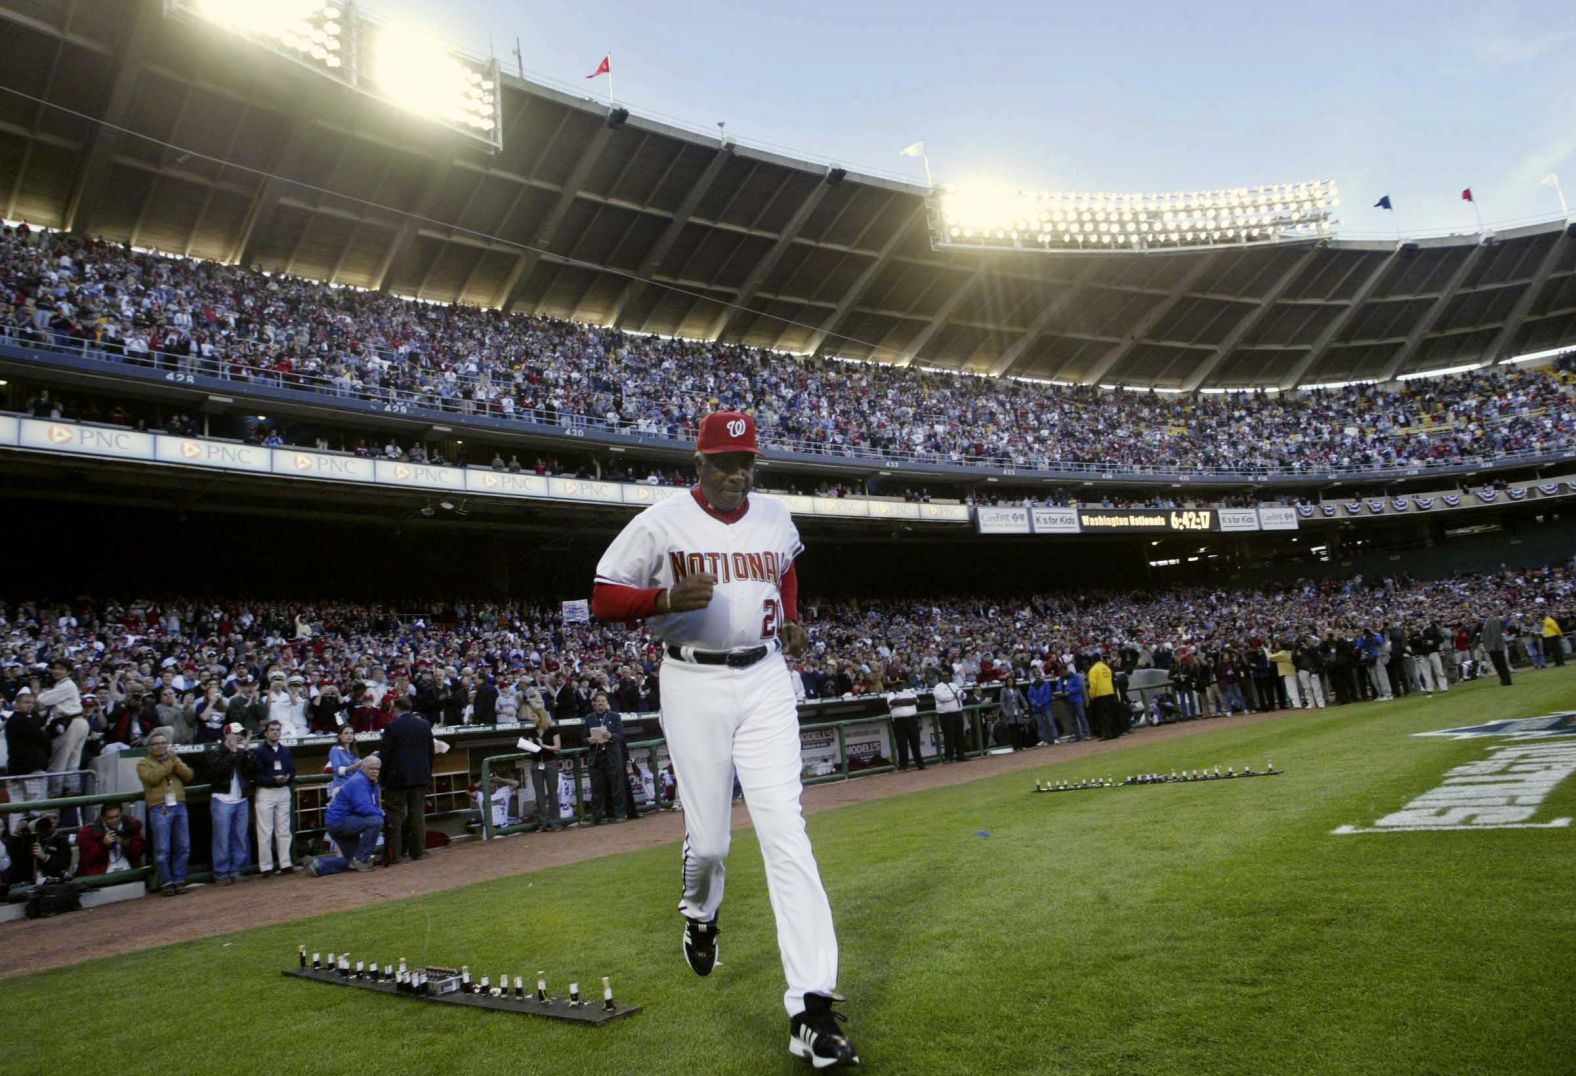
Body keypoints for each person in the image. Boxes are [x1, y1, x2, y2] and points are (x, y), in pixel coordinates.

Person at [589, 411, 856, 1069]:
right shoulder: (661, 520)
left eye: (746, 462)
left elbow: (786, 568)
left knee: (786, 834)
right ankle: (700, 914)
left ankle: (812, 1010)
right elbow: (602, 595)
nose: (738, 473)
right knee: (709, 843)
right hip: (691, 680)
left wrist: (791, 619)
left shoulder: (774, 514)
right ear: (699, 464)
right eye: (725, 462)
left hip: (765, 676)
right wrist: (662, 600)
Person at [136, 730, 193, 895]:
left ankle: (179, 880)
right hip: (159, 807)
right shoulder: (143, 763)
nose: (161, 746)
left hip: (179, 804)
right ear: (150, 748)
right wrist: (170, 762)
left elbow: (189, 775)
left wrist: (176, 763)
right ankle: (166, 882)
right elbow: (153, 778)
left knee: (183, 846)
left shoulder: (175, 760)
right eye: (156, 743)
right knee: (162, 848)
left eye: (163, 743)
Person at [307, 756, 384, 875]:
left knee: (351, 862)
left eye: (377, 769)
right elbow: (363, 808)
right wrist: (382, 813)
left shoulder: (370, 781)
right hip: (340, 822)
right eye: (371, 768)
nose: (374, 771)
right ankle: (362, 860)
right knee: (376, 821)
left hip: (344, 822)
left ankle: (319, 865)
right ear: (363, 768)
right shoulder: (359, 781)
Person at [380, 696, 434, 865]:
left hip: (397, 777)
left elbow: (385, 755)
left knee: (394, 816)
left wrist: (382, 777)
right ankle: (418, 851)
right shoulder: (424, 724)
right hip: (420, 776)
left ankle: (394, 855)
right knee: (417, 813)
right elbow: (430, 752)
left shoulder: (391, 726)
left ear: (396, 708)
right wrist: (426, 772)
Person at [204, 722, 256, 886]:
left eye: (241, 733)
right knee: (222, 838)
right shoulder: (215, 751)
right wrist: (233, 753)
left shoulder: (241, 752)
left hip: (240, 798)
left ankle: (235, 870)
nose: (239, 736)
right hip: (222, 799)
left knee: (240, 837)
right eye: (236, 733)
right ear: (227, 734)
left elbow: (250, 770)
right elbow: (216, 772)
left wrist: (246, 752)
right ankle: (221, 872)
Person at [37, 658, 88, 797]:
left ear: (69, 672)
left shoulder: (67, 685)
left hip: (70, 723)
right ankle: (72, 793)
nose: (57, 671)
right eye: (55, 668)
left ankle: (55, 795)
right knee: (72, 763)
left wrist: (42, 693)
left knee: (59, 763)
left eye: (61, 668)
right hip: (77, 722)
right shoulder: (62, 685)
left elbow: (42, 700)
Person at [253, 719, 297, 875]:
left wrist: (287, 777)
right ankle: (266, 866)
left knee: (284, 829)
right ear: (266, 733)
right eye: (272, 729)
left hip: (283, 790)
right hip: (266, 791)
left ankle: (285, 863)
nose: (275, 732)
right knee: (265, 831)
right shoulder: (259, 751)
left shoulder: (285, 751)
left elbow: (292, 770)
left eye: (278, 729)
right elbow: (256, 775)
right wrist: (272, 780)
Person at [4, 690, 50, 834]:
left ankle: (16, 835)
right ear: (16, 704)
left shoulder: (16, 720)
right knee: (35, 805)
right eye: (26, 702)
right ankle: (32, 835)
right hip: (30, 770)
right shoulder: (22, 720)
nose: (29, 705)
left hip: (16, 770)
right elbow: (42, 739)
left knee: (17, 807)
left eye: (31, 703)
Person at [520, 690, 563, 830]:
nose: (533, 718)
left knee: (552, 793)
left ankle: (555, 821)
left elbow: (557, 747)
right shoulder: (531, 731)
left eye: (534, 716)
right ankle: (543, 822)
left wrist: (544, 746)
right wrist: (529, 747)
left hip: (550, 762)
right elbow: (529, 746)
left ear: (541, 717)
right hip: (536, 763)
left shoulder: (552, 729)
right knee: (539, 795)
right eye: (532, 716)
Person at [583, 690, 628, 824]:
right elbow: (583, 737)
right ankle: (597, 817)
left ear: (607, 703)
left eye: (603, 701)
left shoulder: (614, 716)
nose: (600, 704)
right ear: (594, 704)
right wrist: (588, 740)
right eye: (598, 701)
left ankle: (620, 814)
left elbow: (620, 735)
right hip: (597, 756)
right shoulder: (589, 718)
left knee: (616, 786)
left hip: (612, 755)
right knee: (597, 788)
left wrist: (611, 736)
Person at [76, 801, 146, 877]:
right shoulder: (89, 832)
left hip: (128, 872)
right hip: (102, 876)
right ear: (103, 818)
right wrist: (103, 845)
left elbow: (140, 851)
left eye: (117, 816)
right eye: (110, 818)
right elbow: (87, 860)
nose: (114, 820)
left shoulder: (131, 826)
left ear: (121, 814)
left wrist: (127, 845)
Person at [886, 684, 924, 769]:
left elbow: (916, 700)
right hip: (899, 722)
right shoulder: (891, 694)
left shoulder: (909, 691)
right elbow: (892, 702)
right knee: (901, 744)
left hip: (912, 720)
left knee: (915, 743)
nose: (899, 686)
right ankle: (903, 765)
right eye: (897, 684)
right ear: (894, 686)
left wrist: (902, 702)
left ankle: (920, 764)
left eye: (901, 684)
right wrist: (908, 702)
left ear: (904, 685)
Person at [932, 677, 967, 762]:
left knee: (959, 735)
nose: (946, 677)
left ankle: (960, 755)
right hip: (945, 715)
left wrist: (959, 694)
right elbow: (942, 698)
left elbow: (963, 695)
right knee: (949, 736)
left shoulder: (954, 685)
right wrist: (954, 695)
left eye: (948, 675)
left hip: (957, 713)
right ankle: (949, 757)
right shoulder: (938, 687)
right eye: (944, 675)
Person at [1481, 612, 1513, 687]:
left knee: (1501, 664)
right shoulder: (1488, 620)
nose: (1483, 611)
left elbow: (1495, 634)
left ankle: (1506, 680)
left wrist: (1493, 645)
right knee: (1497, 665)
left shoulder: (1493, 620)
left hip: (1496, 647)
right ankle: (1503, 680)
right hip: (1492, 646)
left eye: (1485, 610)